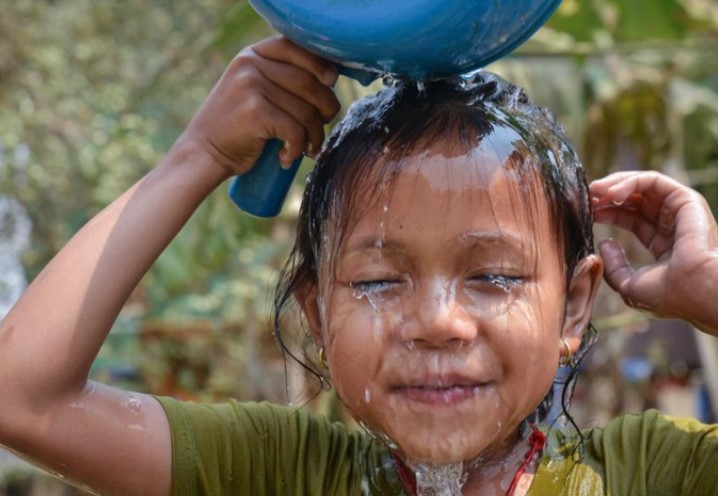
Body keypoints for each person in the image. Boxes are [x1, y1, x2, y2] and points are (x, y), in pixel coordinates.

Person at [0, 36, 717, 496]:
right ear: (316, 313)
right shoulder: (279, 475)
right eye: (377, 281)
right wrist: (199, 158)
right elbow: (23, 398)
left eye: (494, 276)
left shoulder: (652, 475)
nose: (438, 322)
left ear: (572, 306)